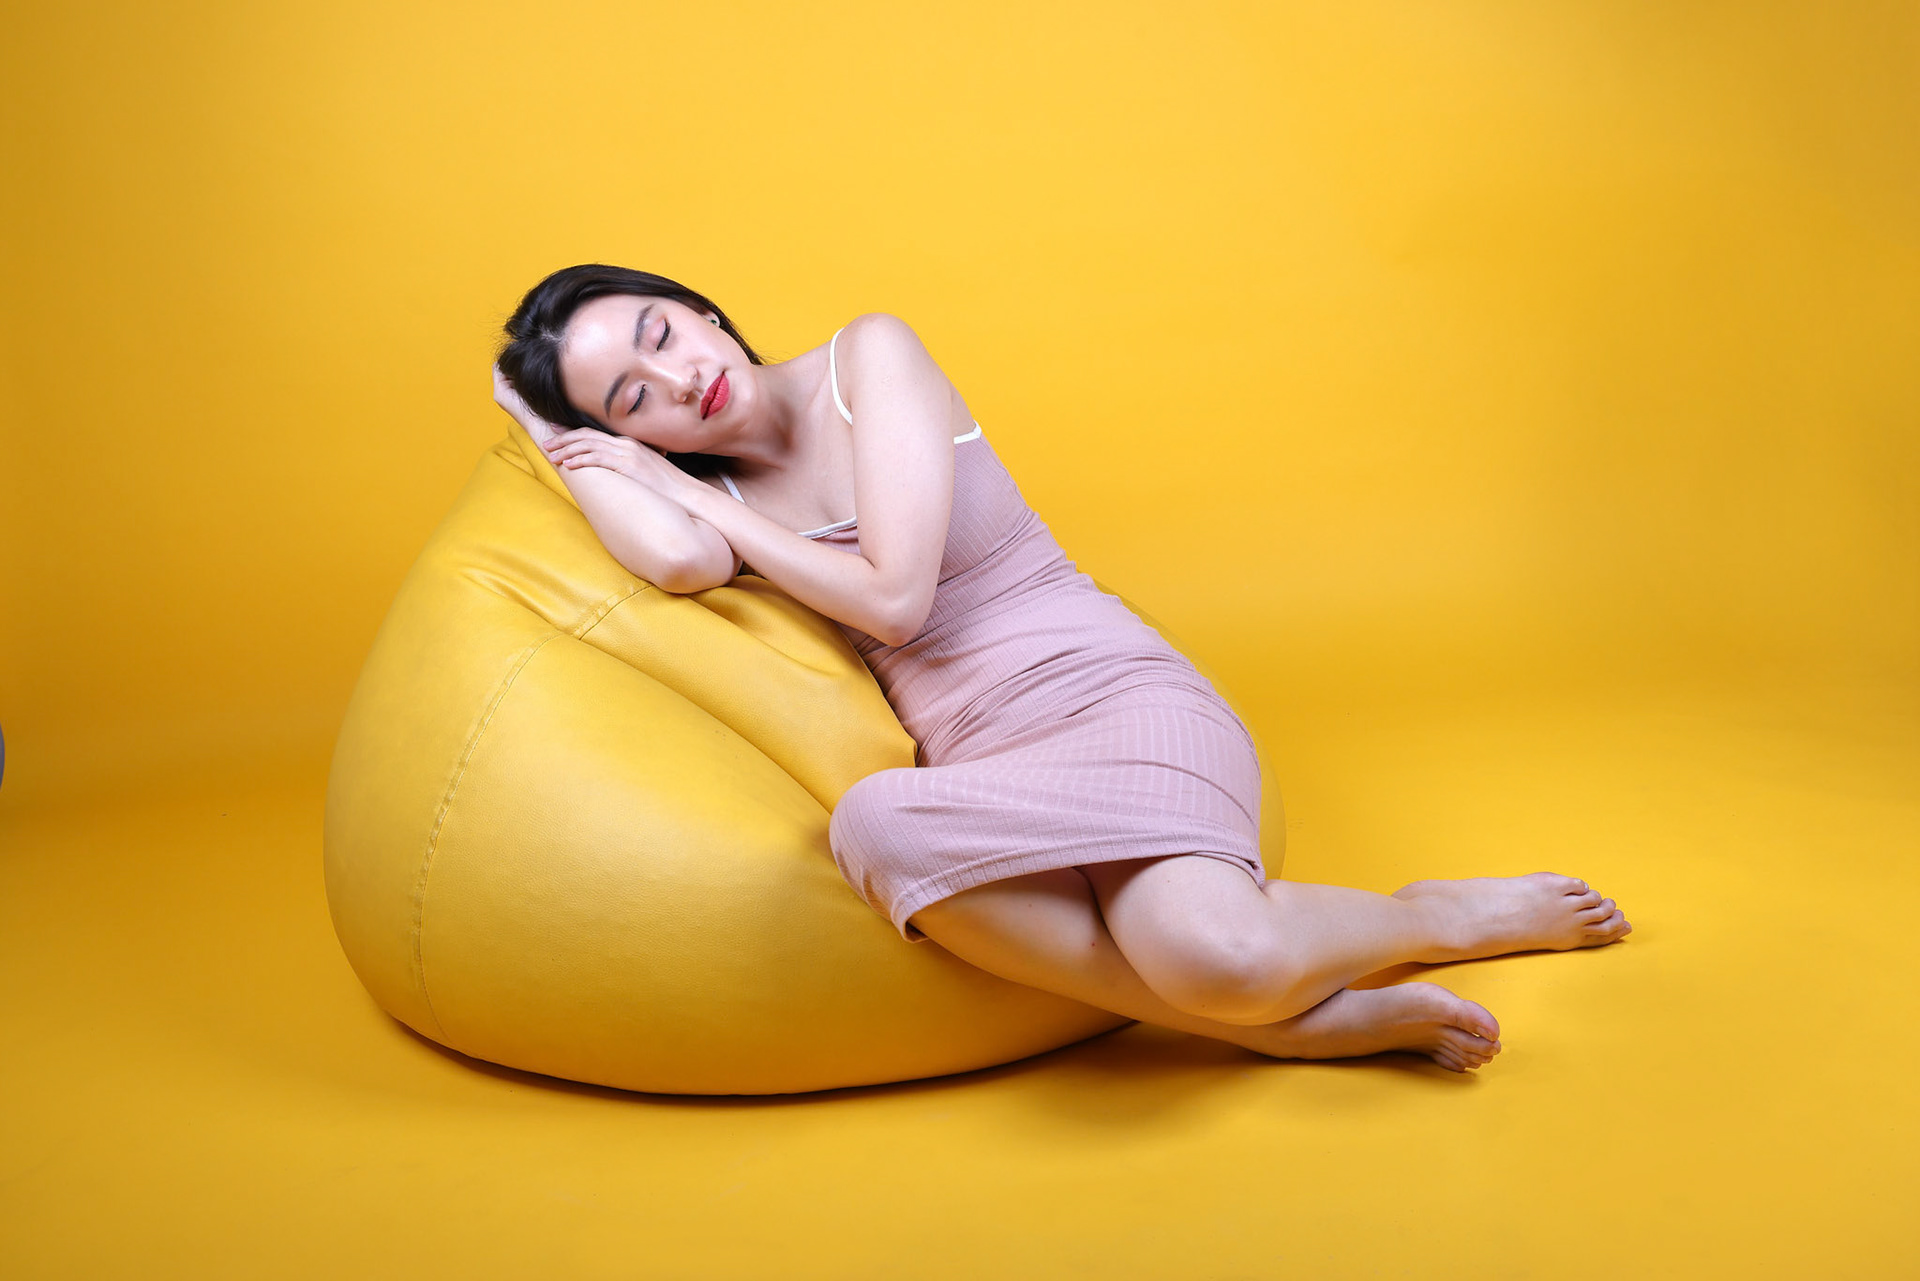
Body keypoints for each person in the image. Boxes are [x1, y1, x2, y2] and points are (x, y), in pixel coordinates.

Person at [491, 263, 1632, 1074]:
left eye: (661, 334)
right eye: (631, 400)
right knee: (875, 824)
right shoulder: (708, 502)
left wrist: (682, 489)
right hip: (983, 762)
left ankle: (1429, 917)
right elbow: (677, 562)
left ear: (699, 308)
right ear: (629, 437)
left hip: (1109, 691)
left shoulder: (864, 358)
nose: (677, 378)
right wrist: (553, 437)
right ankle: (1277, 1030)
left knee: (1217, 956)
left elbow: (895, 598)